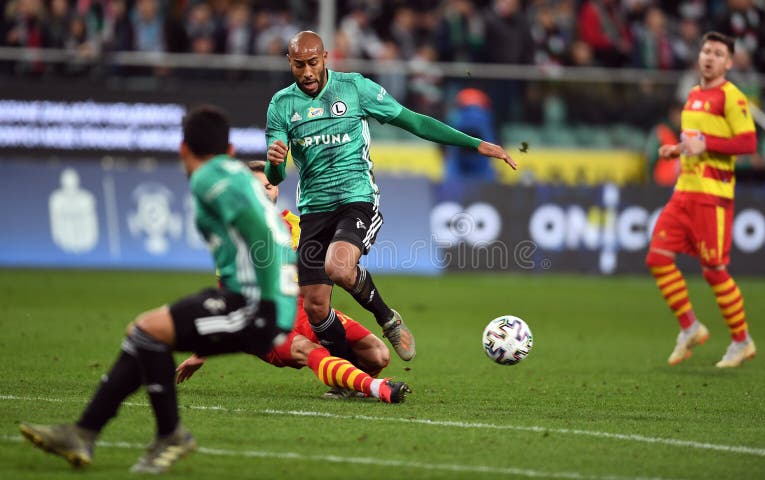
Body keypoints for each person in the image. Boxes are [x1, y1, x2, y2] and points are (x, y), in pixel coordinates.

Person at [19, 105, 299, 473]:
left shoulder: (207, 179)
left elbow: (262, 232)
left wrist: (269, 300)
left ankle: (169, 434)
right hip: (253, 297)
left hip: (257, 304)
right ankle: (83, 432)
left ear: (183, 150)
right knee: (144, 332)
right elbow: (270, 229)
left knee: (149, 332)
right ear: (230, 151)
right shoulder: (236, 174)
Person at [266, 30, 517, 365]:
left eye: (313, 63)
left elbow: (412, 121)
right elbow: (276, 177)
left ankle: (388, 318)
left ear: (326, 57)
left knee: (339, 267)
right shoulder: (281, 105)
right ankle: (345, 372)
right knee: (314, 306)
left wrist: (474, 143)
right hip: (313, 207)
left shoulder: (354, 88)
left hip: (356, 198)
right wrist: (274, 163)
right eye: (300, 65)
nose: (307, 72)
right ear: (290, 63)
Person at [176, 161, 411, 403]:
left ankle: (345, 384)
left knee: (378, 355)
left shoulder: (303, 227)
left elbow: (337, 261)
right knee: (311, 351)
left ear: (276, 189)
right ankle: (377, 388)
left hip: (303, 310)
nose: (264, 193)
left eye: (268, 186)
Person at [646, 32, 758, 368]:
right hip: (684, 191)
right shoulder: (693, 94)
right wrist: (676, 150)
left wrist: (705, 144)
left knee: (714, 271)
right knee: (658, 257)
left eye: (718, 53)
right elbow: (694, 141)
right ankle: (690, 327)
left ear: (728, 62)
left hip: (713, 196)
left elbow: (748, 143)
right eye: (706, 50)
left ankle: (742, 341)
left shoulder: (731, 97)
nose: (709, 57)